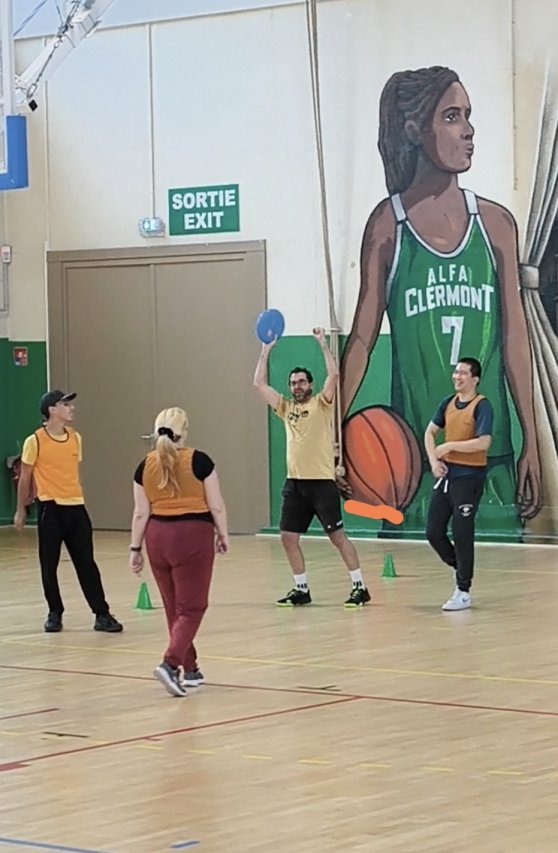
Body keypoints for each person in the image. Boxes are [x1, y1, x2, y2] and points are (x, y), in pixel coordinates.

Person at [340, 65, 540, 535]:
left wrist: (531, 438)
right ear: (414, 130)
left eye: (468, 115)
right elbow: (362, 340)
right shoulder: (388, 225)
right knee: (414, 573)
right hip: (414, 458)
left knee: (498, 573)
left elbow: (515, 338)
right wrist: (333, 435)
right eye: (452, 116)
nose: (468, 130)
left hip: (490, 453)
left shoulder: (496, 225)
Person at [254, 327, 370, 607]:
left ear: (310, 384)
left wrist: (322, 344)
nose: (297, 386)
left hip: (321, 484)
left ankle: (360, 586)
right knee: (288, 537)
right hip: (295, 484)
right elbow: (258, 383)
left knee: (337, 537)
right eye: (293, 383)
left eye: (302, 382)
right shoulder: (285, 408)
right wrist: (266, 349)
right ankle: (301, 588)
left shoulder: (321, 403)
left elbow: (334, 375)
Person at [129, 407, 229, 697]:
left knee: (174, 607)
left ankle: (191, 668)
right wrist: (222, 534)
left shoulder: (144, 466)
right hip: (192, 536)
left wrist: (135, 548)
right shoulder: (199, 461)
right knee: (193, 607)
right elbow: (216, 505)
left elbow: (140, 512)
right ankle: (170, 664)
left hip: (157, 537)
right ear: (184, 431)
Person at [13, 390, 123, 634]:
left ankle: (101, 613)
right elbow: (25, 478)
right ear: (52, 410)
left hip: (76, 508)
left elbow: (73, 472)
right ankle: (55, 612)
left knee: (86, 563)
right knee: (49, 565)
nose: (71, 408)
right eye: (65, 404)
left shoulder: (75, 438)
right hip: (50, 508)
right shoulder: (35, 441)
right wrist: (21, 510)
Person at [424, 358, 492, 611]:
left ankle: (463, 590)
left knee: (462, 533)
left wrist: (450, 446)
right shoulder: (447, 403)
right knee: (433, 532)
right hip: (447, 477)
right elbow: (430, 433)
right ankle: (460, 567)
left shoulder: (482, 405)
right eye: (456, 372)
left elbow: (483, 442)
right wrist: (434, 461)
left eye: (463, 373)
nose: (457, 376)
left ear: (475, 379)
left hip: (469, 478)